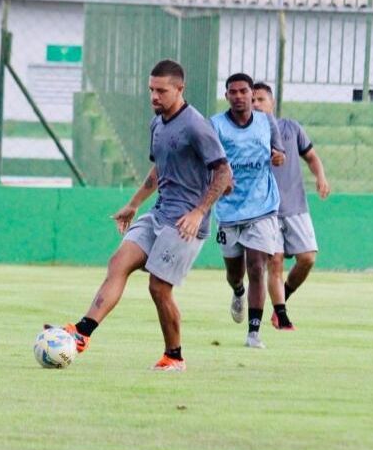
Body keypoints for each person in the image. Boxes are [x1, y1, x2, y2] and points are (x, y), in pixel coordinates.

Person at [48, 59, 231, 371]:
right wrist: (134, 204)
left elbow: (224, 173)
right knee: (118, 262)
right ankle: (82, 333)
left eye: (161, 91)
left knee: (159, 288)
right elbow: (160, 167)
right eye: (151, 90)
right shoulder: (157, 123)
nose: (154, 97)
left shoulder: (196, 126)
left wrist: (200, 212)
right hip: (159, 213)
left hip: (185, 224)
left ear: (180, 89)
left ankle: (174, 357)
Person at [210, 73, 285, 349]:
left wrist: (279, 156)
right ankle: (238, 291)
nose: (239, 96)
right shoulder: (216, 125)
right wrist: (220, 178)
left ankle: (254, 333)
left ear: (252, 95)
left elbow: (280, 152)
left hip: (262, 206)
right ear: (227, 96)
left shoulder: (266, 122)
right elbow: (207, 159)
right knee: (235, 273)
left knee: (257, 266)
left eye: (244, 91)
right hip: (229, 209)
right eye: (233, 92)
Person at [252, 82, 330, 330]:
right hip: (266, 211)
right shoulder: (246, 135)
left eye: (260, 99)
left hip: (296, 206)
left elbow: (311, 157)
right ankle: (281, 316)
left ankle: (284, 296)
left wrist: (320, 177)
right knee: (275, 262)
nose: (256, 104)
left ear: (272, 103)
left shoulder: (291, 128)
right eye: (252, 100)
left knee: (307, 258)